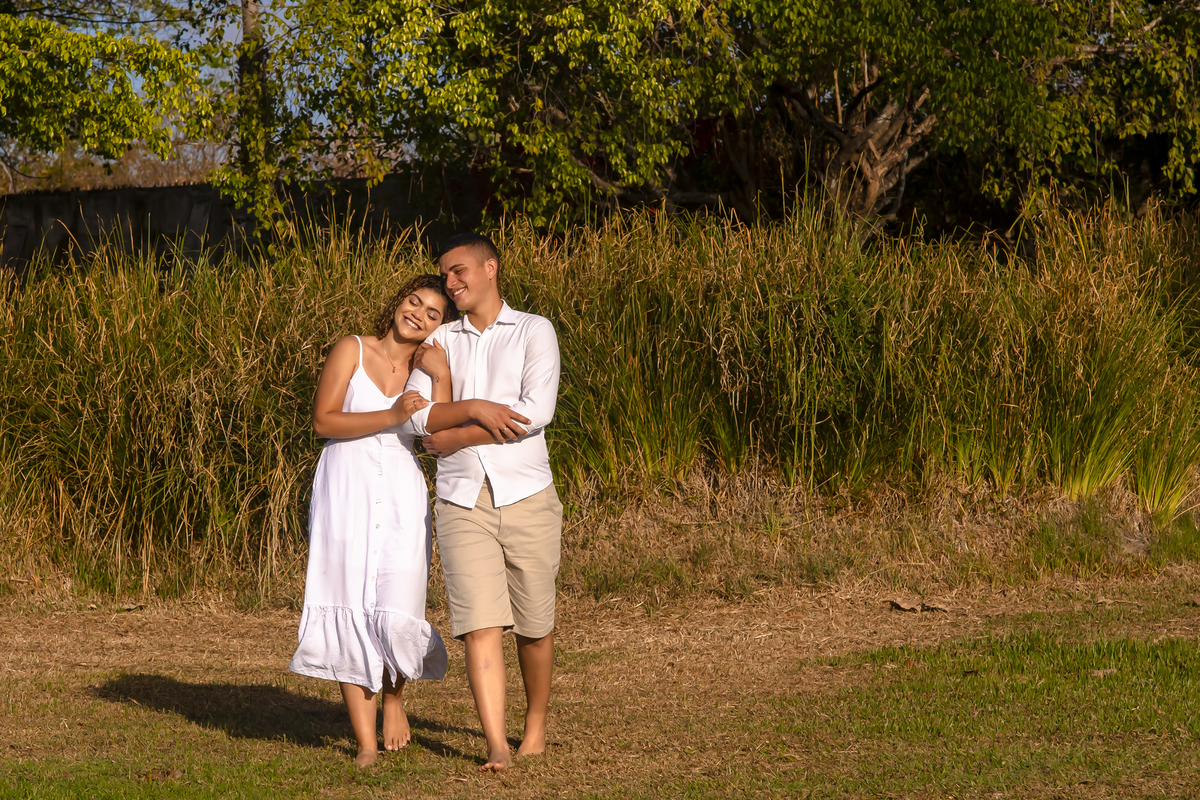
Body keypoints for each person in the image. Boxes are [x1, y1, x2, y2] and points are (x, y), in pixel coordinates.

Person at [402, 232, 562, 772]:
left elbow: (535, 411)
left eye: (459, 270)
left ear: (490, 267)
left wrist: (460, 434)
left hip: (528, 494)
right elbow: (419, 419)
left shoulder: (535, 330)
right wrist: (469, 404)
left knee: (535, 624)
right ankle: (496, 745)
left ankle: (534, 726)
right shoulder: (439, 339)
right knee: (479, 624)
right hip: (460, 499)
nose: (450, 282)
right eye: (444, 273)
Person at [288, 274, 456, 767]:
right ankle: (364, 742)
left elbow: (438, 434)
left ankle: (394, 698)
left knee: (401, 597)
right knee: (349, 599)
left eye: (433, 313)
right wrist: (389, 414)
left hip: (402, 487)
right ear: (398, 300)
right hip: (347, 483)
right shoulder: (352, 349)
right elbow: (323, 420)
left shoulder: (427, 365)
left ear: (439, 327)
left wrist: (441, 374)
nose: (418, 314)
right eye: (414, 302)